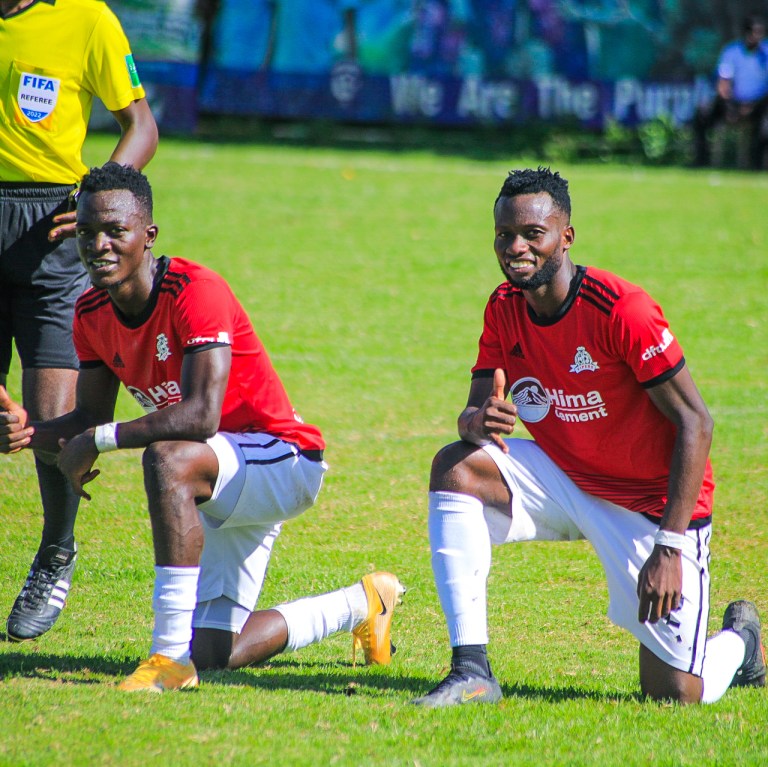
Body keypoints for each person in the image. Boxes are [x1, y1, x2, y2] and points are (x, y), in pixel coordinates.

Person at [0, 162, 405, 691]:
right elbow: (87, 419)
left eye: (115, 231)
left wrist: (97, 441)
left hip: (283, 459)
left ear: (148, 236)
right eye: (86, 232)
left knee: (168, 456)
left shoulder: (195, 289)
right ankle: (362, 602)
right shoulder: (90, 311)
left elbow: (200, 415)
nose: (99, 244)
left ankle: (168, 660)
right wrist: (27, 432)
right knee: (217, 651)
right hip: (218, 474)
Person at [412, 167, 765, 707]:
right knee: (456, 467)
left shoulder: (623, 310)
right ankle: (470, 670)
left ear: (566, 237)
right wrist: (477, 422)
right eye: (505, 235)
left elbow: (697, 423)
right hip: (567, 479)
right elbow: (472, 412)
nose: (517, 248)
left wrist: (669, 546)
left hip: (651, 506)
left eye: (534, 234)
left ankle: (740, 643)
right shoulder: (503, 307)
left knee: (675, 694)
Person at [0, 0, 159, 643]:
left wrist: (89, 194)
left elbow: (140, 123)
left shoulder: (87, 17)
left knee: (47, 423)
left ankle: (54, 554)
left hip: (51, 230)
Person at [692, 14, 768, 169]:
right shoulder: (732, 51)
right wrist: (730, 106)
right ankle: (701, 161)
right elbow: (723, 83)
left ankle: (757, 166)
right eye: (754, 32)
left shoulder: (766, 54)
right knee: (702, 112)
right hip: (733, 103)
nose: (757, 37)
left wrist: (753, 105)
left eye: (760, 33)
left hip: (761, 104)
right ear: (746, 33)